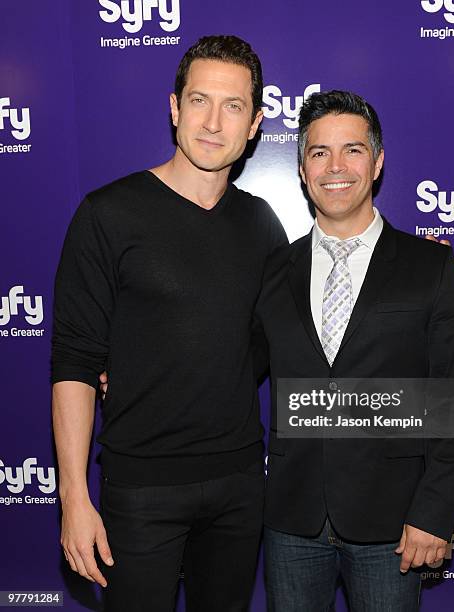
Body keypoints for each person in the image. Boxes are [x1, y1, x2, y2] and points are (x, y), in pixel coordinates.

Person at [51, 35, 286, 612]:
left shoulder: (262, 225)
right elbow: (75, 364)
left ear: (254, 124)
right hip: (140, 490)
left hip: (237, 487)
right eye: (199, 100)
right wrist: (74, 499)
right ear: (174, 107)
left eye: (233, 106)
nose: (213, 122)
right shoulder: (108, 214)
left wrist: (416, 263)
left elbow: (289, 328)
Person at [254, 91, 454, 611]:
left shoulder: (431, 267)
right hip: (291, 519)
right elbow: (228, 362)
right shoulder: (273, 272)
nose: (336, 167)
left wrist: (434, 513)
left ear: (376, 163)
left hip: (395, 525)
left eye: (352, 150)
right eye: (319, 153)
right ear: (302, 169)